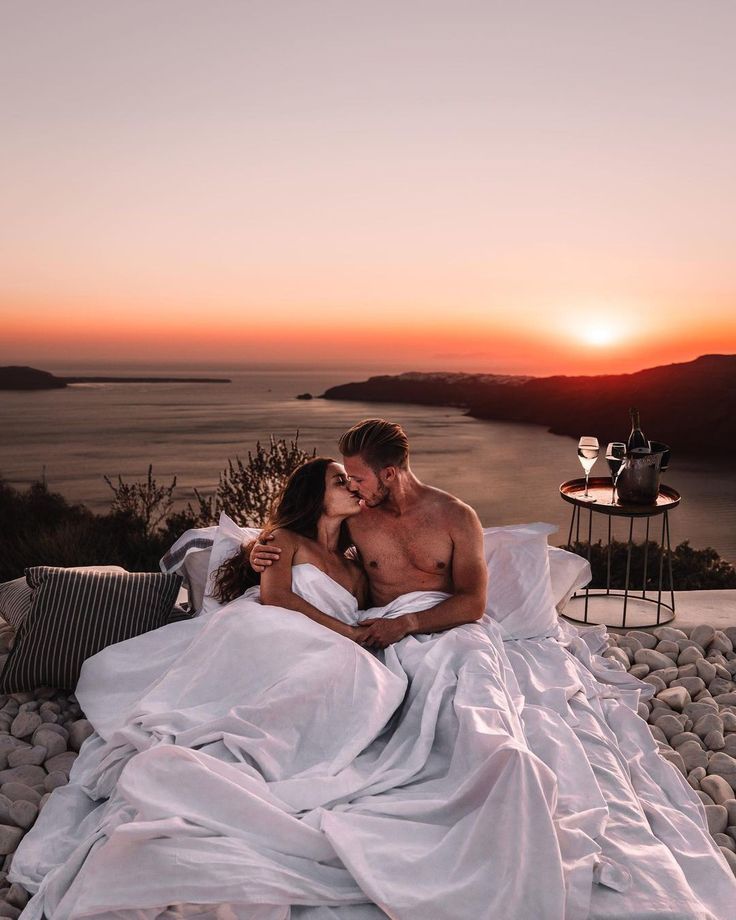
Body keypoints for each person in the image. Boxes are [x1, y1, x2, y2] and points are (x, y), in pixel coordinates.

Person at [252, 418, 488, 649]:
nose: (352, 487)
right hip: (380, 628)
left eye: (357, 479)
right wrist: (256, 551)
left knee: (470, 671)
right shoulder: (357, 517)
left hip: (441, 627)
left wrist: (407, 624)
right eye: (347, 479)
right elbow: (308, 538)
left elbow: (473, 602)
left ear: (388, 474)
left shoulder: (458, 517)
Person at [212, 456, 369, 641]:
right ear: (315, 494)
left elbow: (360, 614)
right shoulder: (284, 539)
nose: (353, 487)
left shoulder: (355, 568)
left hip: (335, 646)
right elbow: (275, 597)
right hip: (282, 638)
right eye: (340, 482)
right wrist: (348, 632)